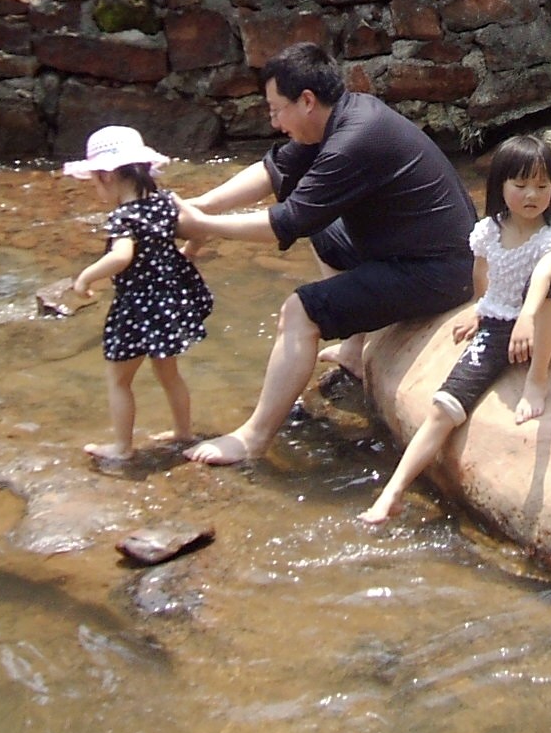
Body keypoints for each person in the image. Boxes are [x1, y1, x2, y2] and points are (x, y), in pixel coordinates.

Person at [173, 42, 478, 466]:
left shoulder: (355, 140)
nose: (275, 122)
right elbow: (273, 171)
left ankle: (253, 438)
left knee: (300, 312)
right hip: (411, 248)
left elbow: (287, 221)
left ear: (307, 101)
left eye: (276, 110)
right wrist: (198, 207)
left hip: (437, 271)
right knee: (324, 230)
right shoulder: (343, 115)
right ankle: (354, 350)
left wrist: (201, 228)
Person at [360, 135, 551, 525]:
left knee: (547, 292)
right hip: (498, 324)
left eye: (543, 186)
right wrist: (481, 309)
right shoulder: (488, 231)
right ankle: (393, 492)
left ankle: (537, 378)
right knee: (444, 407)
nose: (533, 195)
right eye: (522, 184)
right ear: (500, 187)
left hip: (542, 324)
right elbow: (482, 274)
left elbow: (544, 276)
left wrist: (526, 318)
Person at [66, 126, 211, 461]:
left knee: (119, 380)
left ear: (106, 176)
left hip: (136, 308)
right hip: (169, 304)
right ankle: (183, 432)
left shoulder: (123, 217)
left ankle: (122, 447)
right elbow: (200, 227)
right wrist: (187, 254)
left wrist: (86, 277)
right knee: (169, 373)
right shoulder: (165, 202)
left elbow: (121, 257)